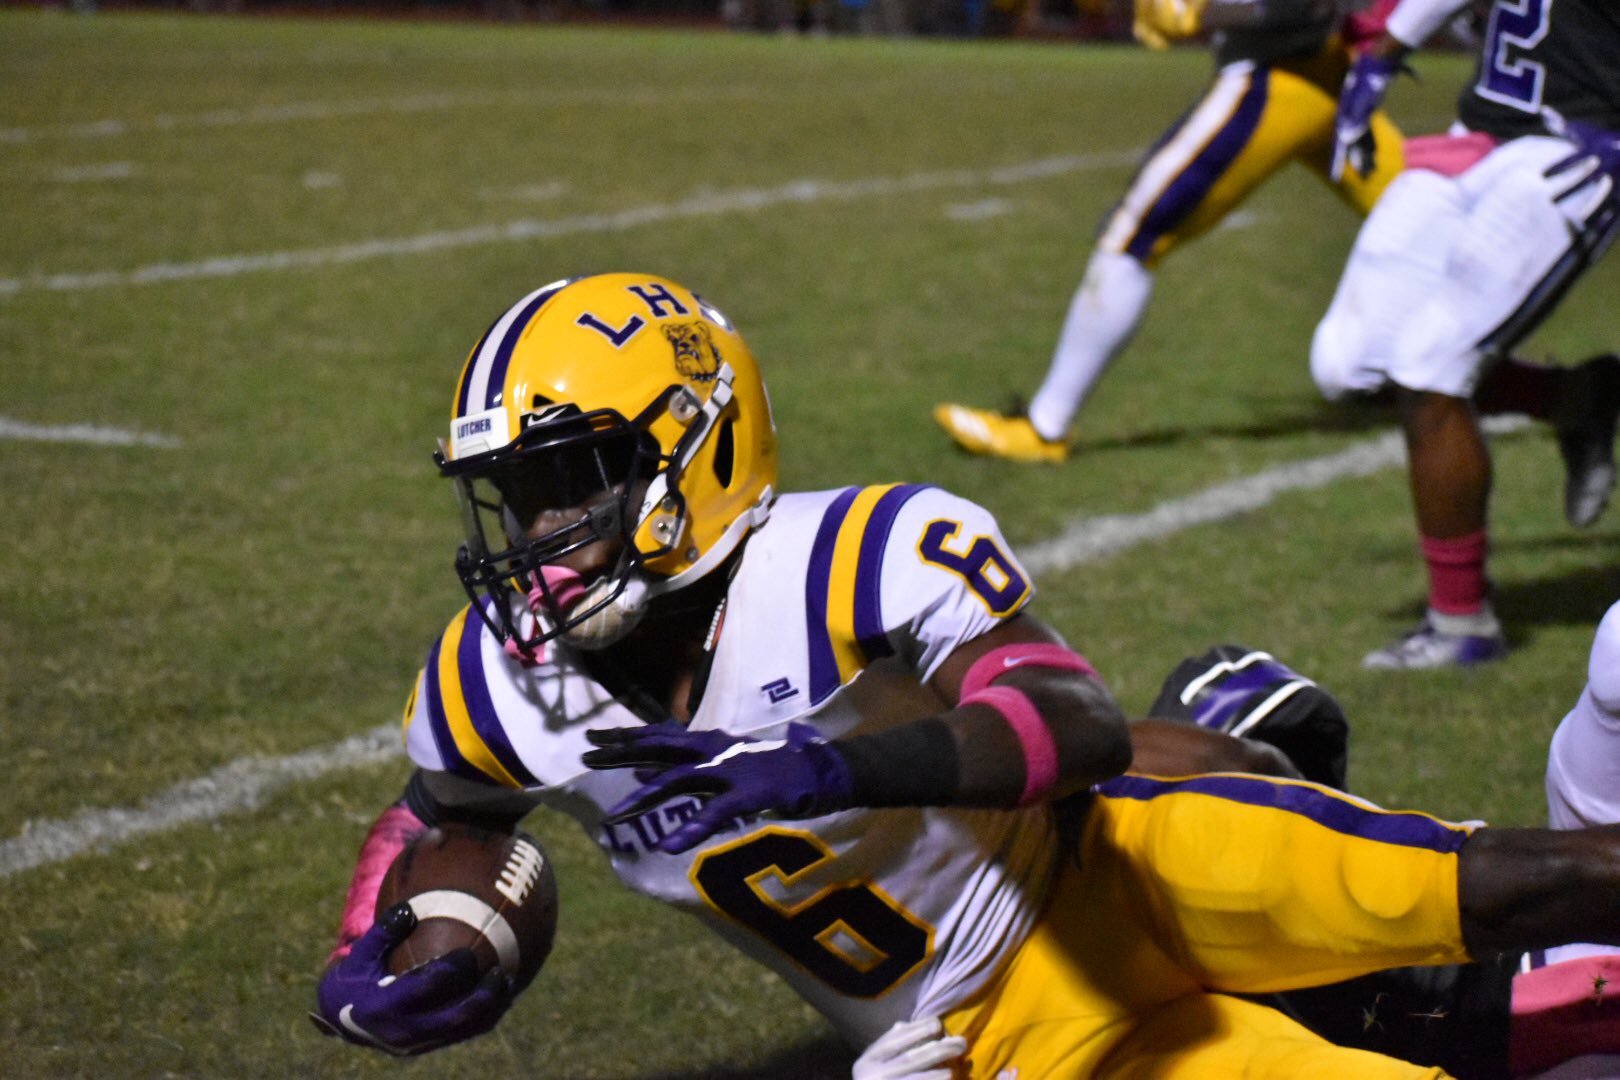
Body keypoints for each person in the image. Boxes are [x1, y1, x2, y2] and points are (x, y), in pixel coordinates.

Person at [312, 273, 1620, 1076]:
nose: (535, 536)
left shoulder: (846, 559)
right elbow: (441, 821)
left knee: (1522, 884)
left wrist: (831, 768)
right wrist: (395, 948)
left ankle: (1236, 740)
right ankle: (1240, 739)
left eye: (565, 487)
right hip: (1004, 1041)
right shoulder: (498, 686)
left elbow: (1074, 726)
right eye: (514, 498)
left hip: (1115, 864)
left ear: (691, 452)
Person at [933, 0, 1407, 463]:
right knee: (1424, 216)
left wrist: (1198, 14)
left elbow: (1304, 7)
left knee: (1133, 234)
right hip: (1331, 76)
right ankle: (1438, 377)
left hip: (1275, 81)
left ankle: (1045, 426)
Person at [1310, 0, 1620, 668]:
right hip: (1479, 135)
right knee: (1347, 363)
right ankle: (1574, 397)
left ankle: (1460, 624)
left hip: (1576, 151)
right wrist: (1383, 56)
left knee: (1431, 364)